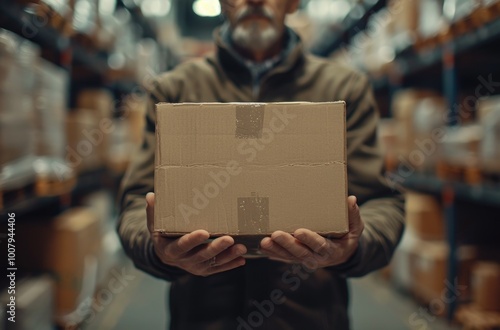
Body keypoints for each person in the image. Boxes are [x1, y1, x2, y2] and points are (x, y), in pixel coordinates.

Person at [117, 0, 405, 329]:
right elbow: (133, 206)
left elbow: (383, 203)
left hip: (308, 318)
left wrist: (352, 249)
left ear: (294, 3)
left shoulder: (343, 89)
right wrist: (160, 252)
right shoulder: (173, 91)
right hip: (203, 318)